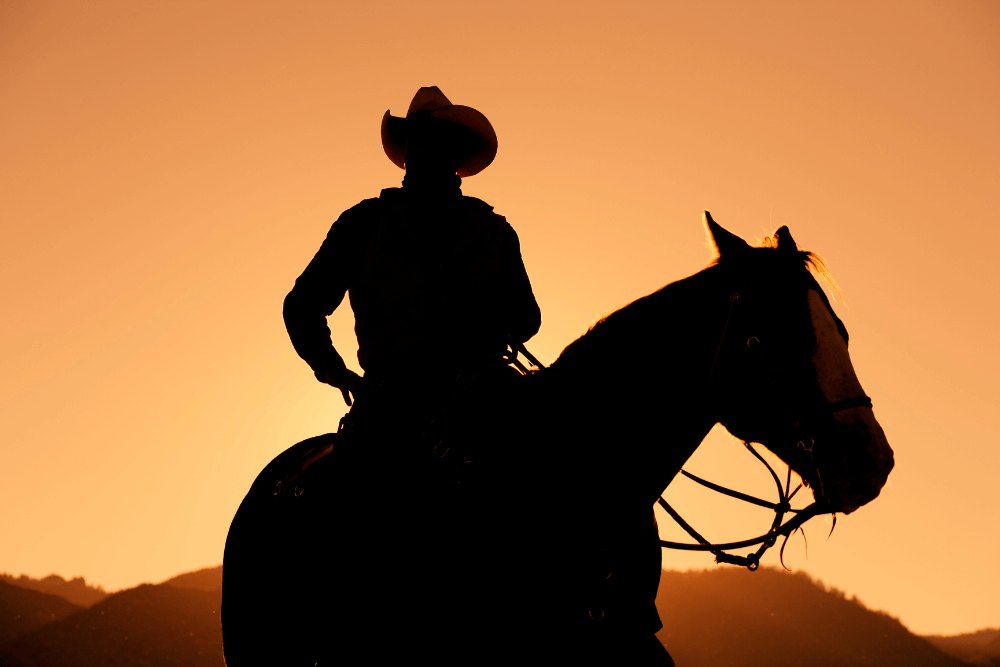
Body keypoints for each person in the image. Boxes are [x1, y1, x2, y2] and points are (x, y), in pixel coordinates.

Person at [283, 86, 541, 411]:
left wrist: (486, 330)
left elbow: (528, 316)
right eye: (419, 138)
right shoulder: (363, 223)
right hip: (390, 400)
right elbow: (303, 304)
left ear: (458, 153)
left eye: (441, 139)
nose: (430, 148)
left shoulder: (497, 232)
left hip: (484, 394)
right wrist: (333, 369)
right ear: (405, 151)